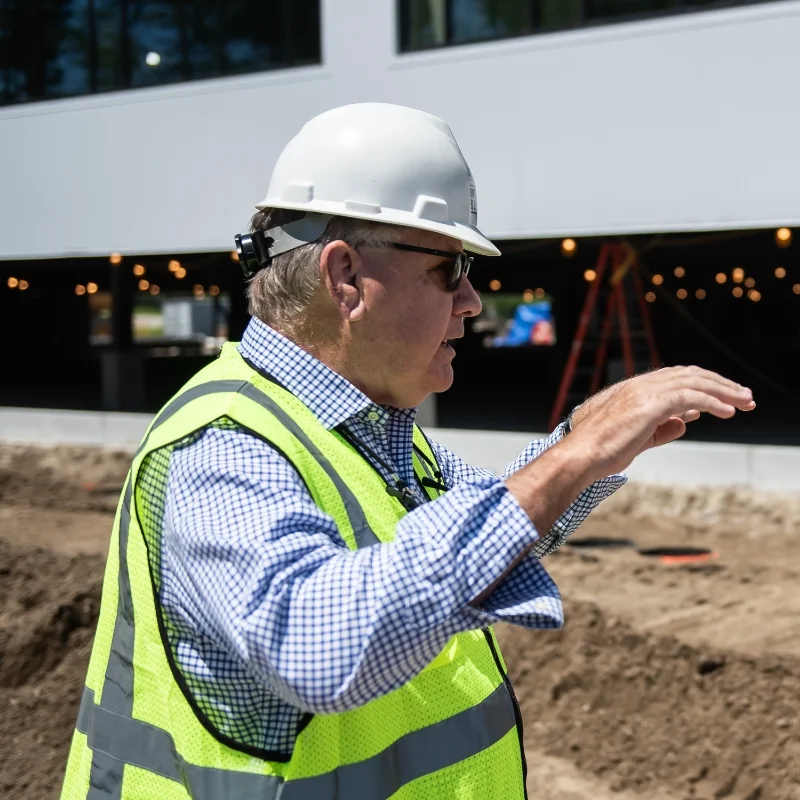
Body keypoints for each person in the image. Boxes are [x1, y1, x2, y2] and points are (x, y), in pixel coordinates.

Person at [60, 103, 755, 800]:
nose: (472, 301)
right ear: (345, 276)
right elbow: (316, 647)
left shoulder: (364, 429)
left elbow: (495, 527)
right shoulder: (222, 445)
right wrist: (573, 458)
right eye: (450, 269)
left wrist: (586, 447)